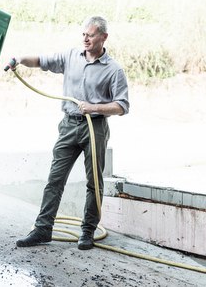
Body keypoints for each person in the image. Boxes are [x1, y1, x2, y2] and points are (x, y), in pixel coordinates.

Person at [9, 15, 129, 250]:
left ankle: (87, 232)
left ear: (103, 37)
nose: (85, 39)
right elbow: (42, 60)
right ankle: (43, 230)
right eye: (83, 34)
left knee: (94, 182)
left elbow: (122, 106)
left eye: (91, 35)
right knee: (55, 179)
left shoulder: (114, 70)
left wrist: (94, 107)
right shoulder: (70, 56)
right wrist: (20, 59)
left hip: (94, 128)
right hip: (68, 126)